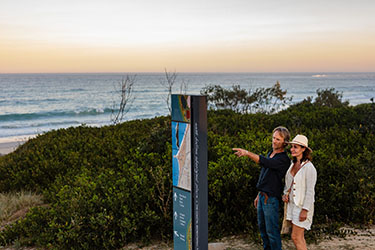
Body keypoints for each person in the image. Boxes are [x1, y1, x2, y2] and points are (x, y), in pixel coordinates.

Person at [233, 126, 291, 250]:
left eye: (278, 139)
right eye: (273, 138)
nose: (274, 141)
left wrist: (247, 153)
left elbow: (266, 162)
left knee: (272, 233)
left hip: (271, 200)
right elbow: (265, 174)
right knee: (263, 231)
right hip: (262, 197)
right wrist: (258, 194)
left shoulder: (284, 159)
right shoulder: (271, 153)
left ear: (285, 143)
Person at [282, 135, 317, 250]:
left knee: (296, 237)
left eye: (295, 147)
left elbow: (310, 191)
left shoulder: (309, 168)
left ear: (303, 149)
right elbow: (289, 184)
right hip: (292, 205)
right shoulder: (292, 164)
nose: (292, 149)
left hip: (302, 206)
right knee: (299, 237)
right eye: (292, 147)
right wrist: (285, 194)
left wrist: (305, 210)